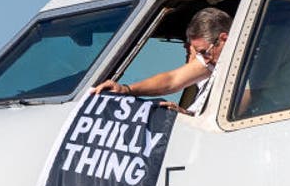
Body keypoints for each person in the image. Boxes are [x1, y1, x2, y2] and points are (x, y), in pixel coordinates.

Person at [91, 7, 231, 115]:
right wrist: (126, 90)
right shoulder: (212, 59)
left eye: (204, 52)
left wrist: (187, 115)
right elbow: (172, 80)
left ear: (224, 39)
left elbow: (243, 99)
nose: (205, 61)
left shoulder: (247, 61)